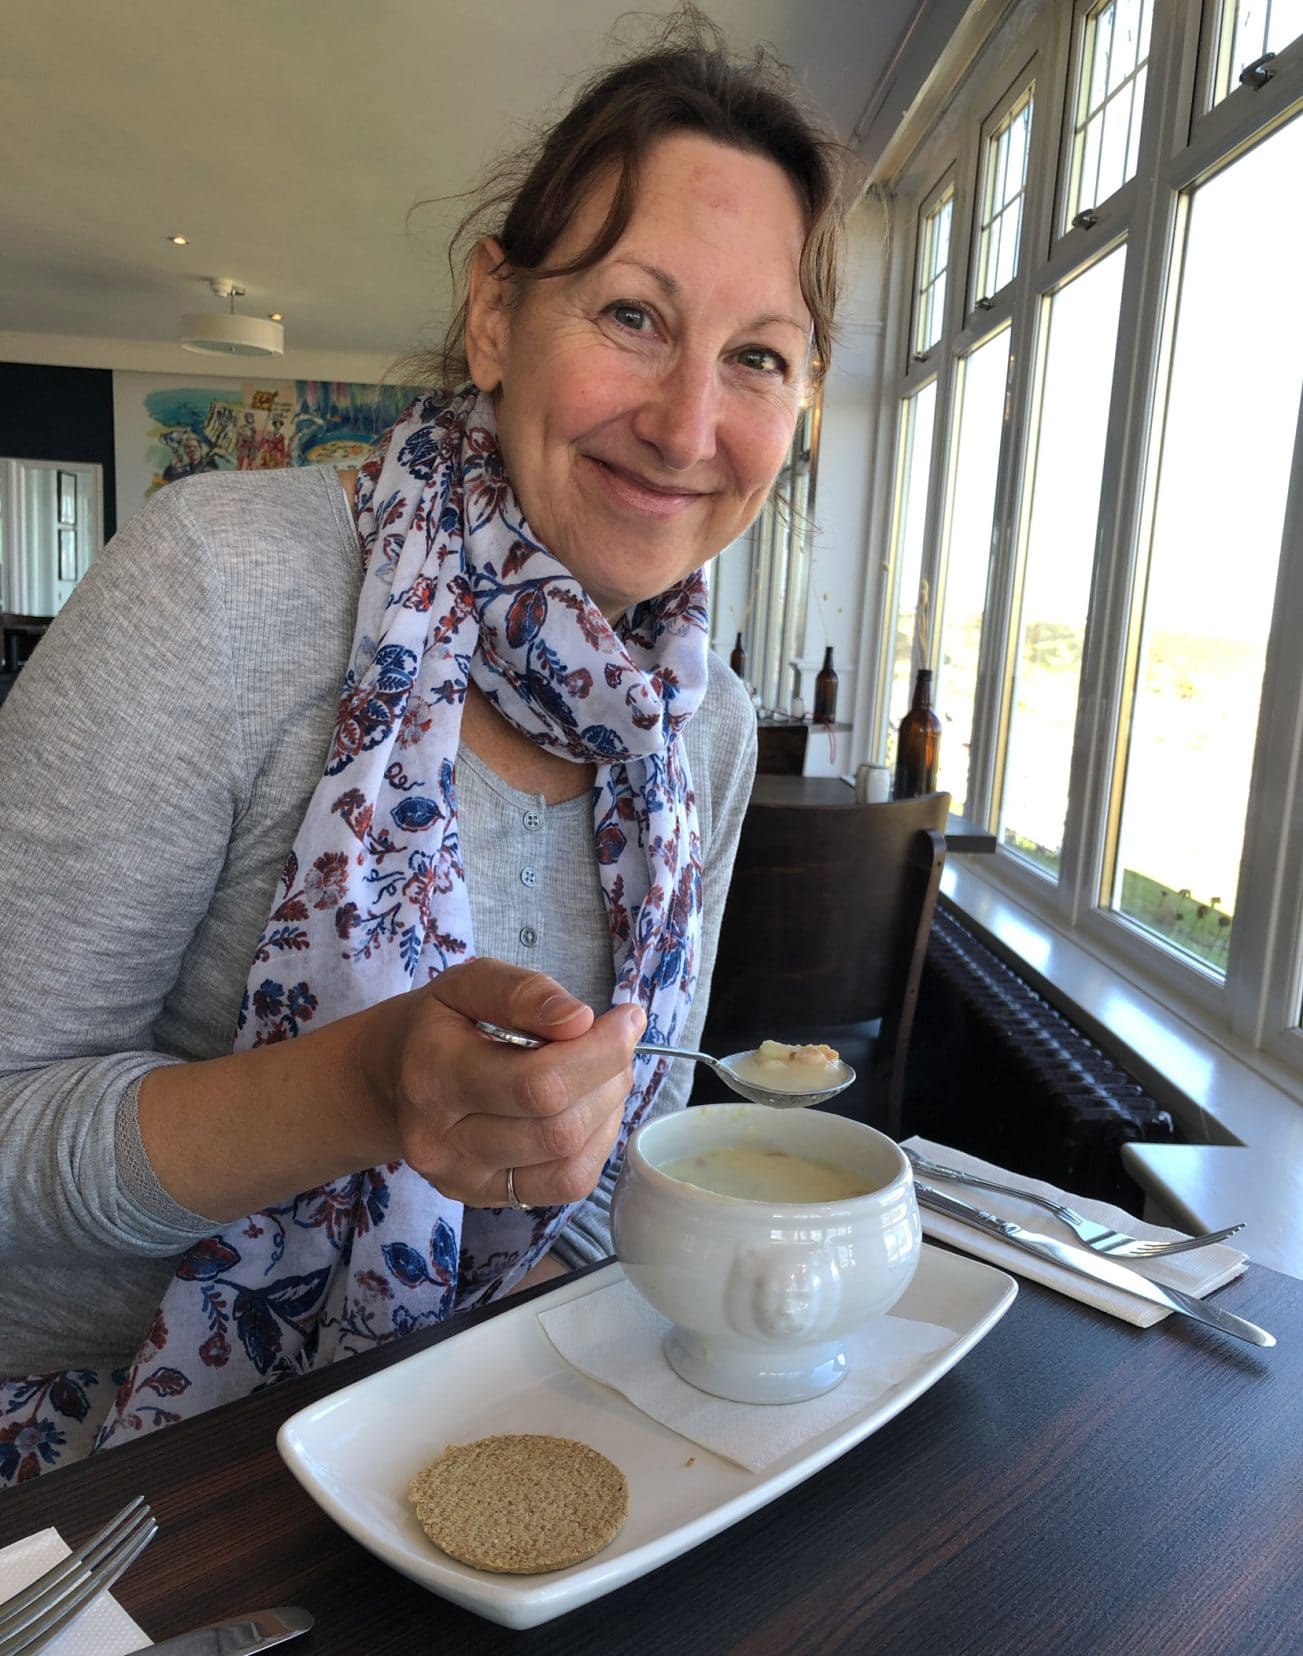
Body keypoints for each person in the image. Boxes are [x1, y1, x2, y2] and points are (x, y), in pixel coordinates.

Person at [0, 10, 846, 1484]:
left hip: (492, 1444)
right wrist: (361, 1093)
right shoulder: (224, 588)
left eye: (760, 356)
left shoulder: (698, 723)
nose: (687, 422)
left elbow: (607, 1180)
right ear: (498, 316)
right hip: (113, 1475)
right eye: (635, 315)